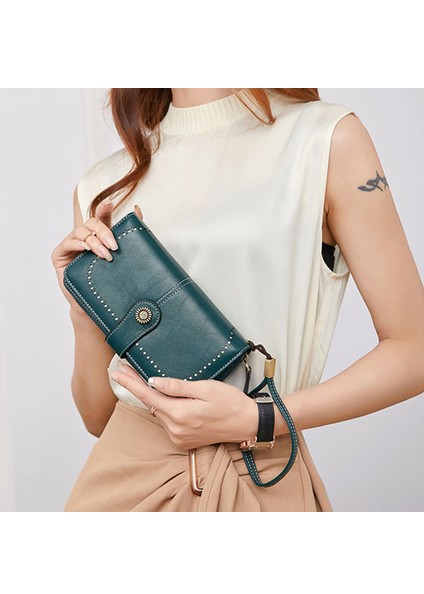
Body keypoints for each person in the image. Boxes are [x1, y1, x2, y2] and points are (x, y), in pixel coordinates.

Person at [51, 88, 424, 511]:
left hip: (259, 473)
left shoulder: (325, 139)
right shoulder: (102, 184)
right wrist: (82, 313)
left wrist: (261, 418)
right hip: (121, 486)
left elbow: (413, 350)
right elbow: (99, 419)